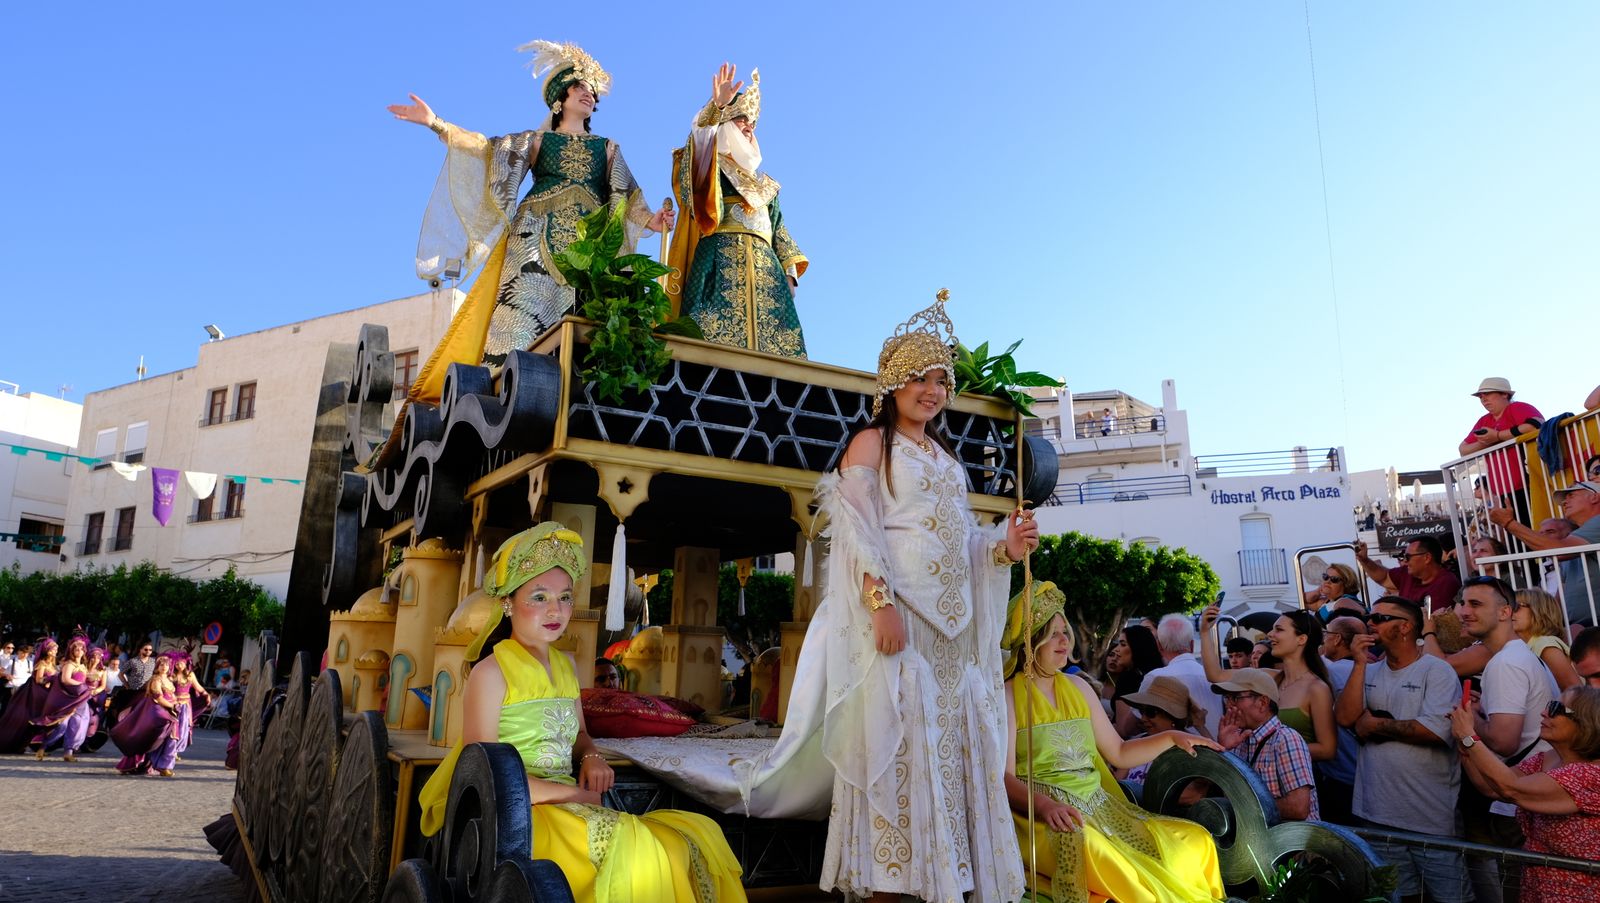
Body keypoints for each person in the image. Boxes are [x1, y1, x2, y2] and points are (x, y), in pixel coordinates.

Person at [730, 291, 1035, 902]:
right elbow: (858, 530)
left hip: (952, 644)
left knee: (945, 766)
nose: (932, 389)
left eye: (941, 380)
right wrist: (880, 605)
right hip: (903, 632)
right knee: (899, 759)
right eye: (920, 377)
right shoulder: (873, 445)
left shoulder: (947, 461)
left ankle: (944, 883)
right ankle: (889, 888)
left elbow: (959, 543)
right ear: (893, 383)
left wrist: (1004, 546)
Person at [418, 523, 745, 901]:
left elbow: (580, 735)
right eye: (539, 597)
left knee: (690, 840)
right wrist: (572, 793)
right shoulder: (490, 673)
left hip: (566, 805)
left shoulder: (567, 665)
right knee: (644, 854)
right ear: (508, 603)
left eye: (565, 597)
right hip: (519, 818)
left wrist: (590, 757)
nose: (556, 610)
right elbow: (485, 779)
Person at [387, 41, 675, 392]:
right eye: (580, 87)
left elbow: (628, 198)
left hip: (592, 246)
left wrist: (654, 221)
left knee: (593, 320)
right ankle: (504, 394)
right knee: (521, 316)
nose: (589, 95)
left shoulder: (608, 147)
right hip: (535, 237)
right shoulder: (536, 141)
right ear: (560, 97)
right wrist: (437, 124)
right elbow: (486, 151)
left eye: (593, 92)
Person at [1002, 583, 1224, 903]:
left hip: (1100, 809)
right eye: (1053, 634)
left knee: (1195, 839)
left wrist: (1172, 737)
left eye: (1065, 631)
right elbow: (1004, 778)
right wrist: (1048, 807)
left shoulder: (1079, 686)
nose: (1065, 641)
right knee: (1098, 852)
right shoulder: (1008, 695)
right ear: (1030, 639)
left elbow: (1119, 752)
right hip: (1044, 818)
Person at [1335, 595, 1471, 903]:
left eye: (1380, 618)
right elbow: (1344, 718)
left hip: (1429, 819)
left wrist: (1375, 727)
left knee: (1452, 898)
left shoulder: (1436, 671)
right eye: (1370, 617)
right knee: (1401, 898)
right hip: (1377, 813)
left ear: (1406, 627)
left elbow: (1437, 731)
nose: (1370, 623)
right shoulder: (1367, 670)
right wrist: (1358, 663)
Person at [667, 63, 807, 356]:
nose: (749, 126)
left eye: (753, 122)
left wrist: (789, 272)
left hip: (767, 272)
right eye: (741, 118)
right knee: (710, 346)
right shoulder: (709, 165)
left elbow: (778, 227)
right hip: (717, 262)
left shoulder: (764, 184)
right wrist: (715, 107)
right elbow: (701, 141)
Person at [1456, 574, 1555, 902]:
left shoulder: (1506, 663)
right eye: (1462, 603)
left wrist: (1467, 724)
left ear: (1504, 612)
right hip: (1529, 789)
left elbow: (1503, 741)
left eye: (1475, 604)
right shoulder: (1518, 656)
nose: (1463, 611)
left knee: (1519, 887)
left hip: (1519, 797)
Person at [1450, 687, 1600, 903]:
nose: (1544, 713)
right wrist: (1463, 744)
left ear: (1585, 723)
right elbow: (1492, 787)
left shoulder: (1591, 775)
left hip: (1574, 893)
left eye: (1556, 708)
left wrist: (1469, 737)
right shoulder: (1546, 759)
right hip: (1537, 886)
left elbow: (1511, 789)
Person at [1200, 607, 1336, 764]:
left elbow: (1327, 749)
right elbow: (1215, 676)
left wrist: (1272, 747)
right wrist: (1205, 632)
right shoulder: (1269, 677)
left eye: (1279, 629)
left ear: (1301, 639)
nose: (1270, 634)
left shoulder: (1317, 688)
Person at [1213, 668, 1319, 820]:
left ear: (1262, 703)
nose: (1229, 705)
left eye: (1235, 698)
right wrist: (1223, 749)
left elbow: (1298, 808)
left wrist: (1245, 805)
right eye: (1227, 698)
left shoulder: (1285, 739)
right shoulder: (1239, 741)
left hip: (1292, 841)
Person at [1492, 480, 1600, 628]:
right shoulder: (1574, 539)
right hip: (1574, 627)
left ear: (1594, 497)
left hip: (1592, 625)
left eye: (1571, 495)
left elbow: (1559, 551)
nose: (1564, 502)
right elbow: (1560, 597)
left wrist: (1509, 523)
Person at [1459, 377, 1544, 528]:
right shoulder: (1484, 420)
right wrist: (1491, 440)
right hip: (1502, 491)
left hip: (1529, 484)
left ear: (1505, 394)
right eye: (1480, 396)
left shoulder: (1517, 408)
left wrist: (1497, 436)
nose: (1483, 399)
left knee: (1532, 530)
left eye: (1488, 394)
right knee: (1516, 537)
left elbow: (1536, 425)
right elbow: (1463, 450)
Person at [1142, 614, 1225, 740]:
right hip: (1217, 752)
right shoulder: (1217, 678)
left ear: (1159, 646)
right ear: (1192, 645)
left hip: (1177, 752)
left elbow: (1135, 724)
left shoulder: (1155, 678)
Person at [113, 653, 180, 776]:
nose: (164, 667)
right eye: (161, 664)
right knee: (150, 740)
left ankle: (164, 766)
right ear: (157, 666)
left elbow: (172, 695)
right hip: (159, 713)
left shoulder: (169, 680)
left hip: (172, 712)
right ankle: (136, 764)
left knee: (172, 740)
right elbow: (158, 698)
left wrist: (176, 703)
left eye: (166, 664)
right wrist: (173, 706)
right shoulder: (155, 679)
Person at [1355, 536, 1461, 612]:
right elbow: (1383, 577)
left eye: (1408, 557)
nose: (1405, 561)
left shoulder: (1445, 582)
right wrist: (1364, 560)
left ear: (1427, 558)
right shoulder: (1408, 573)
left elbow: (1433, 623)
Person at [31, 636, 94, 760]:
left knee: (78, 724)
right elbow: (66, 680)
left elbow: (85, 679)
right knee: (61, 725)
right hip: (67, 699)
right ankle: (43, 747)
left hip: (80, 699)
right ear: (72, 651)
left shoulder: (83, 666)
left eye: (81, 648)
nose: (79, 650)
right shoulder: (68, 665)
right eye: (76, 649)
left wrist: (91, 680)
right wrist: (82, 685)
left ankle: (68, 753)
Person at [1516, 588, 1582, 691]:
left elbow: (1575, 690)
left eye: (1516, 607)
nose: (1509, 612)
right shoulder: (1530, 645)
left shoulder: (1544, 644)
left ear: (1538, 611)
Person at [1108, 625, 1164, 737]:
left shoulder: (1128, 678)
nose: (1117, 649)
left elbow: (1123, 730)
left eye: (1123, 644)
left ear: (1137, 647)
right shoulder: (1160, 672)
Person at [116, 641, 156, 714]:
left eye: (150, 650)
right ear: (140, 650)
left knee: (142, 712)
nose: (148, 651)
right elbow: (120, 674)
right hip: (133, 690)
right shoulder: (133, 661)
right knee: (129, 711)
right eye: (146, 649)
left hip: (145, 691)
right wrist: (127, 685)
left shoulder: (153, 661)